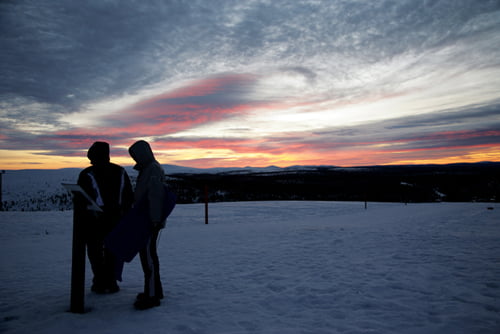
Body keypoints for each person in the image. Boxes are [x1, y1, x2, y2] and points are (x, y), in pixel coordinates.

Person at [76, 141, 133, 293]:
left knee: (95, 252)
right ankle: (110, 281)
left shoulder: (87, 174)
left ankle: (100, 281)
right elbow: (128, 196)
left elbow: (80, 199)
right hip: (116, 220)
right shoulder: (120, 171)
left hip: (94, 221)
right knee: (111, 251)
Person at [128, 140, 167, 310]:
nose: (135, 159)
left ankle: (151, 296)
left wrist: (155, 220)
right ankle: (154, 291)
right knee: (149, 256)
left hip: (149, 221)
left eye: (136, 155)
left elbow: (155, 196)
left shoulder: (152, 169)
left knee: (148, 258)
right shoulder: (148, 168)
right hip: (147, 219)